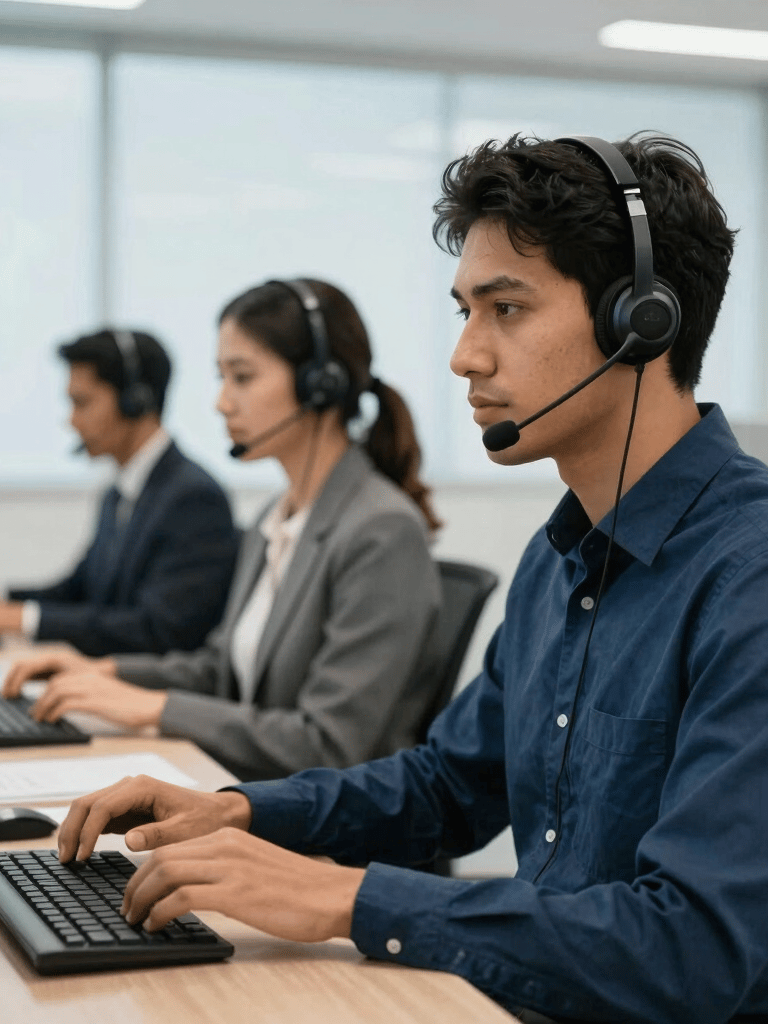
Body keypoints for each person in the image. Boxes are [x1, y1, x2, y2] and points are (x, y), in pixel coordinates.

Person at [52, 132, 763, 1024]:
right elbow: (447, 786)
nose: (465, 356)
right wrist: (236, 812)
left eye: (505, 310)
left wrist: (347, 900)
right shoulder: (560, 559)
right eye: (466, 311)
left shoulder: (749, 579)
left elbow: (691, 949)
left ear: (640, 322)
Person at [4, 279, 442, 782]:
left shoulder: (380, 531)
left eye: (242, 376)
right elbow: (219, 669)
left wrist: (154, 708)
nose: (221, 402)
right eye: (221, 377)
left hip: (327, 832)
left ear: (321, 384)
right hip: (256, 789)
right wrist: (108, 674)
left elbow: (328, 742)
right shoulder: (272, 521)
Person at [0, 329, 238, 657]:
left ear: (134, 400)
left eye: (81, 403)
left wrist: (23, 619)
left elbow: (158, 629)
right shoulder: (119, 492)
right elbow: (79, 588)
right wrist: (8, 602)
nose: (72, 420)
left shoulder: (194, 498)